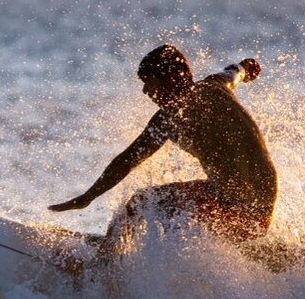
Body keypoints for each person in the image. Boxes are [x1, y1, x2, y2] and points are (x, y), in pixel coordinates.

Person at [49, 44, 278, 270]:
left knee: (140, 203)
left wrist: (87, 197)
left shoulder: (171, 115)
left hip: (234, 212)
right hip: (261, 210)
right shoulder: (216, 85)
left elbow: (127, 161)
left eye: (149, 82)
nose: (145, 91)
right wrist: (244, 68)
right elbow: (234, 72)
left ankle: (98, 270)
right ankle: (143, 261)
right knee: (171, 210)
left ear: (168, 78)